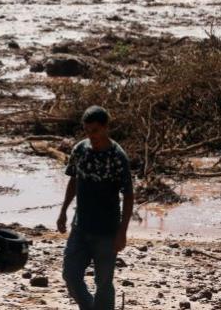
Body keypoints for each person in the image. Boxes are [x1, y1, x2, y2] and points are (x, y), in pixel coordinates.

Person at [57, 106, 135, 310]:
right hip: (80, 227)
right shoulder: (80, 150)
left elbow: (128, 196)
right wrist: (63, 211)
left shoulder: (117, 157)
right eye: (87, 131)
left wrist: (122, 232)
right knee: (70, 276)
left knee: (103, 284)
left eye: (95, 131)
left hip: (107, 231)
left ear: (106, 128)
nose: (91, 136)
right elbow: (73, 180)